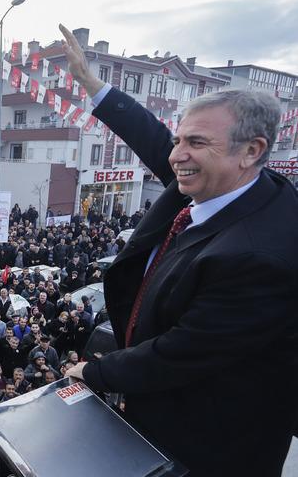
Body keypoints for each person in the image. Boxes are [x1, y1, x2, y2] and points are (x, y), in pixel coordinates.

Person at [58, 24, 298, 476]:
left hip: (208, 445)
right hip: (165, 406)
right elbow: (154, 138)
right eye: (179, 140)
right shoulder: (224, 183)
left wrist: (96, 373)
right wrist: (93, 86)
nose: (176, 156)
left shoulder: (258, 254)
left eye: (196, 143)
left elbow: (180, 352)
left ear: (252, 150)